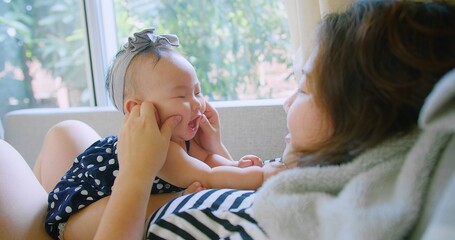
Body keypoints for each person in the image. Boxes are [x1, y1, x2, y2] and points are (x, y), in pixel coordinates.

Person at [39, 0, 455, 239]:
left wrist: (135, 177)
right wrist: (221, 153)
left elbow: (211, 180)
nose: (287, 102)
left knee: (48, 143)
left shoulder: (303, 209)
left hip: (107, 220)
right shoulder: (312, 180)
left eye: (305, 89)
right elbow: (214, 176)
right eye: (182, 95)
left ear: (361, 117)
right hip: (107, 191)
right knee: (66, 133)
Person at [43, 28, 284, 239]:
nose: (197, 104)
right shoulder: (158, 146)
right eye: (181, 96)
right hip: (81, 216)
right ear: (137, 109)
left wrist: (232, 163)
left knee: (182, 192)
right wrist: (259, 176)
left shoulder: (184, 139)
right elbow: (209, 177)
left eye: (197, 92)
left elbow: (211, 162)